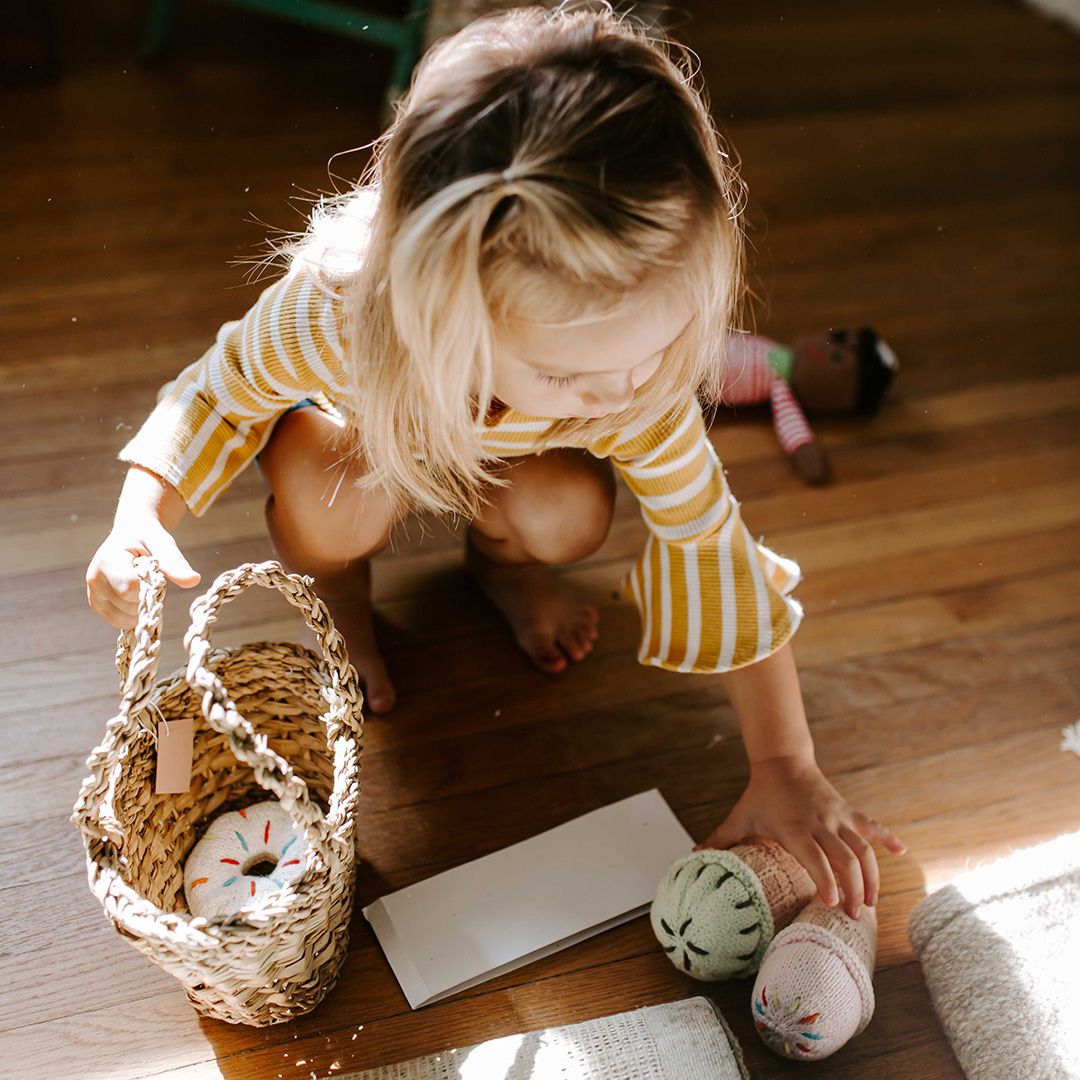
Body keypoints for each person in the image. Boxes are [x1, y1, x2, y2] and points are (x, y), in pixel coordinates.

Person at [85, 3, 905, 918]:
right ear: (444, 318)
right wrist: (139, 513)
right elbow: (211, 392)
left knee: (571, 516)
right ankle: (345, 590)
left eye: (663, 344)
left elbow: (713, 542)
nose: (623, 391)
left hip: (513, 464)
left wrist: (787, 765)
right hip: (367, 442)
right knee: (331, 506)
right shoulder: (336, 315)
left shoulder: (630, 384)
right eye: (572, 371)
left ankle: (500, 562)